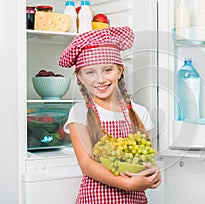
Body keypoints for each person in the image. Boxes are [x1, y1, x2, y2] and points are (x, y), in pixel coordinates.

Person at [59, 26, 162, 204]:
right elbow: (87, 165)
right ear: (80, 77)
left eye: (108, 70)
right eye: (90, 72)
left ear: (120, 70)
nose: (101, 79)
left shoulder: (139, 112)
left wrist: (153, 172)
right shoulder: (80, 112)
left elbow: (144, 159)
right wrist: (126, 184)